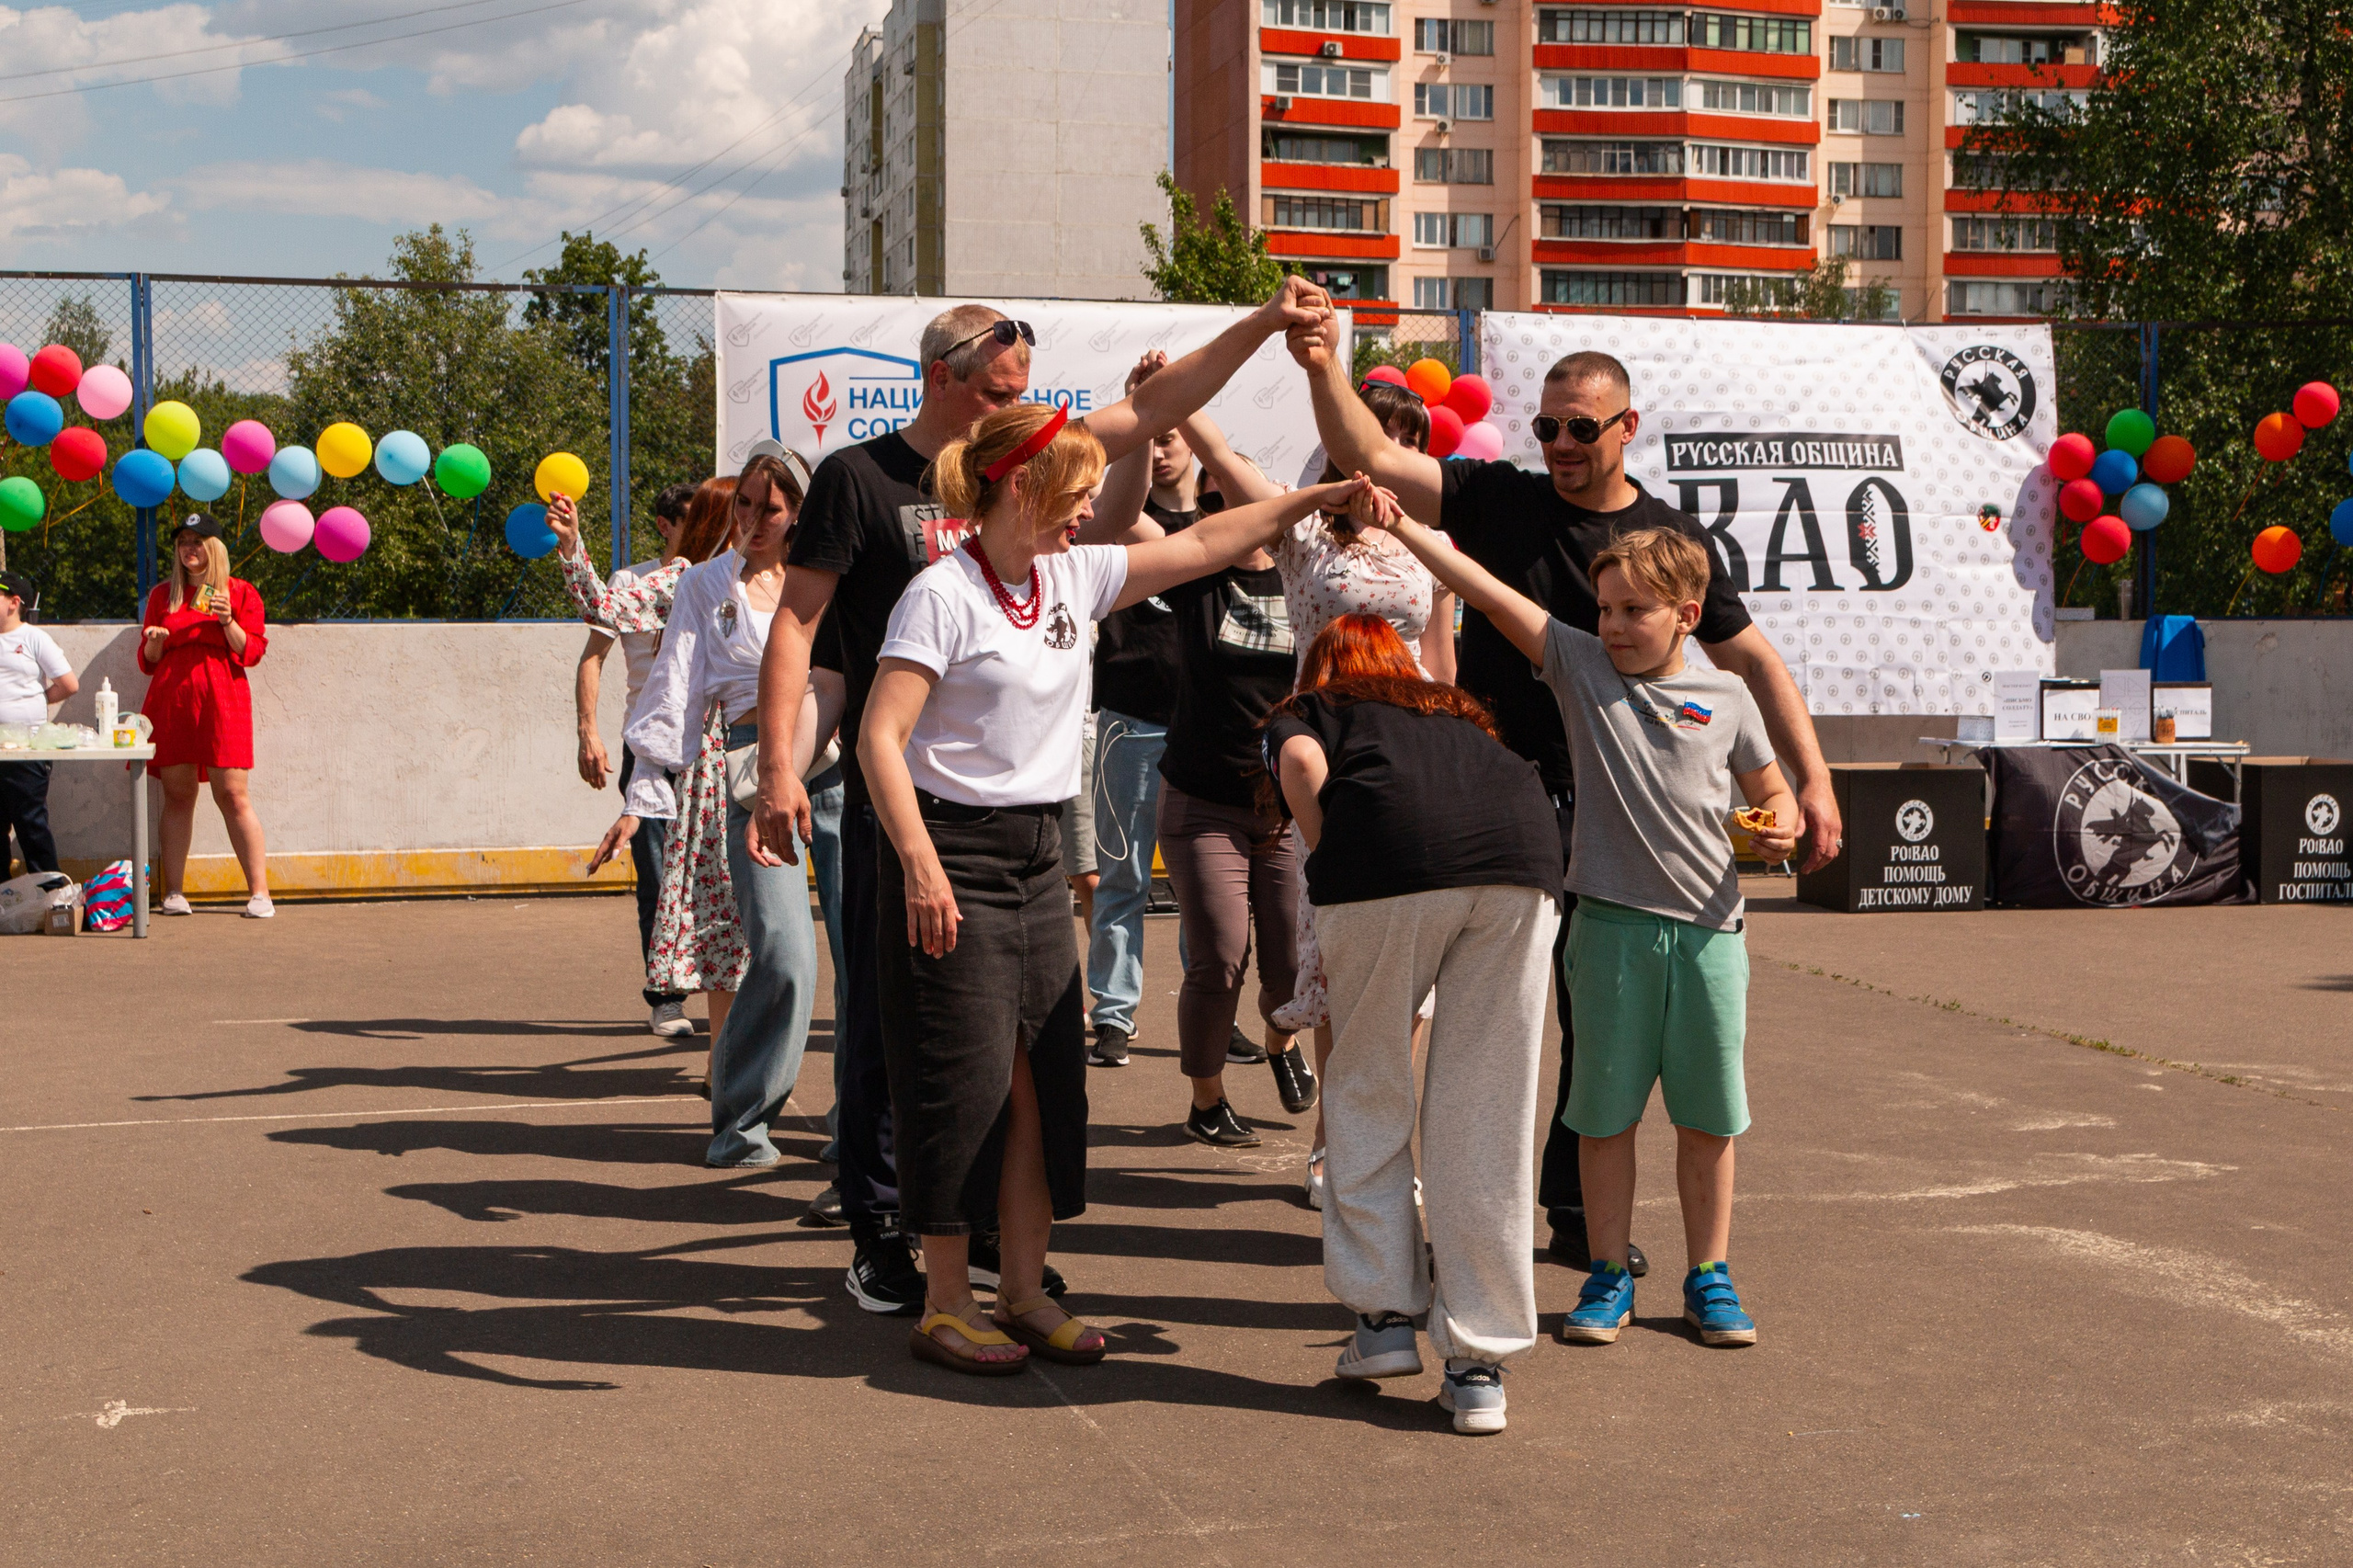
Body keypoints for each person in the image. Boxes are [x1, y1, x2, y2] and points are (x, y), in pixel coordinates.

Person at [751, 280, 1336, 1316]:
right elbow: (803, 629)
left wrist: (1261, 328)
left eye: (1026, 386)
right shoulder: (864, 482)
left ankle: (997, 1244)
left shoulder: (1051, 543)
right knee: (903, 1033)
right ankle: (887, 1227)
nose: (1019, 403)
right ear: (948, 382)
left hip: (1017, 806)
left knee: (1019, 1051)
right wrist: (781, 766)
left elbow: (1163, 438)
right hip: (920, 801)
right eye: (999, 388)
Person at [1290, 323, 1842, 1270]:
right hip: (1494, 794)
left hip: (1609, 809)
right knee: (1466, 1013)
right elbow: (1368, 454)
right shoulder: (1501, 498)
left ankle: (1579, 1218)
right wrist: (1317, 364)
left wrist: (1813, 781)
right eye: (1545, 426)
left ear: (1628, 426)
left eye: (1580, 427)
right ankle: (1408, 1210)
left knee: (1597, 1021)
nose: (1559, 444)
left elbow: (1749, 659)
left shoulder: (1662, 546)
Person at [859, 400, 1370, 1374]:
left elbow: (1215, 535)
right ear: (1021, 486)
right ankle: (944, 1299)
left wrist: (1324, 492)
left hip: (1036, 852)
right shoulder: (942, 592)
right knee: (964, 1083)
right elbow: (882, 737)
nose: (1093, 506)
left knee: (1043, 1083)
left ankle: (1022, 1289)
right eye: (1080, 488)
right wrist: (920, 862)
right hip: (952, 851)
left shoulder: (1069, 574)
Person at [1382, 520, 1798, 1351]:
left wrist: (1779, 820)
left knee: (1709, 1122)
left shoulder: (1730, 698)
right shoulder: (1578, 667)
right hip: (1606, 932)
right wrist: (1406, 534)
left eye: (1632, 610)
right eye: (1604, 607)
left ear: (1687, 614)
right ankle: (1607, 1275)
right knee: (1603, 1121)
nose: (1611, 625)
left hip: (1714, 937)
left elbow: (1769, 789)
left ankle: (1709, 1277)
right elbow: (1490, 594)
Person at [1264, 610, 1563, 1436]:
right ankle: (1479, 1367)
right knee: (1485, 1107)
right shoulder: (1453, 710)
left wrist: (1332, 859)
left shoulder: (1311, 710)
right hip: (1522, 866)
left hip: (1385, 864)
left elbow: (1297, 762)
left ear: (1319, 672)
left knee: (1366, 1084)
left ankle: (1383, 1323)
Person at [1185, 389, 1452, 1209]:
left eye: (1404, 442)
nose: (1384, 460)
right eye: (1372, 440)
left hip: (1417, 762)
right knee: (1340, 963)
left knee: (1413, 984)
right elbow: (1229, 469)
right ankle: (1336, 1143)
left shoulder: (1431, 544)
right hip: (1326, 760)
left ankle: (1389, 1150)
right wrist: (1175, 402)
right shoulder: (1302, 533)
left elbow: (1441, 661)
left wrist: (1462, 753)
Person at [1093, 434, 1316, 1143]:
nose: (1236, 509)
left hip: (1282, 810)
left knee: (1288, 969)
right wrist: (1153, 422)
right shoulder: (1198, 568)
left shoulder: (1304, 575)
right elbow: (1126, 519)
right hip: (1200, 803)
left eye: (1247, 497)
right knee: (1219, 958)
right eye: (1221, 498)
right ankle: (1206, 1101)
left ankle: (1281, 1046)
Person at [1082, 398, 1196, 1070]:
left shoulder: (1221, 523)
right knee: (1122, 877)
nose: (1158, 450)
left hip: (1201, 730)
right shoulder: (1111, 525)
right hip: (1128, 723)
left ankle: (1205, 1014)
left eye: (1170, 437)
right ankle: (1114, 1015)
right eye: (1147, 441)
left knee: (1201, 887)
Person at [573, 480, 699, 1038]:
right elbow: (593, 657)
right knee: (657, 872)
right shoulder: (636, 582)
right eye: (690, 522)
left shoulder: (719, 575)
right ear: (664, 526)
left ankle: (731, 992)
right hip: (648, 747)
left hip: (709, 745)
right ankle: (665, 996)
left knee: (716, 875)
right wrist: (588, 731)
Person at [138, 513, 270, 918]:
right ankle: (174, 893)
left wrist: (227, 619)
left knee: (232, 793)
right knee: (179, 795)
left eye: (198, 541)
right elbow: (146, 662)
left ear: (214, 548)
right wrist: (156, 642)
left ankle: (260, 894)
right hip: (174, 698)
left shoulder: (240, 592)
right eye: (183, 542)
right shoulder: (164, 596)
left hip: (222, 697)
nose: (189, 549)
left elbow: (252, 652)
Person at [0, 570, 76, 875]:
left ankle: (51, 898)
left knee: (31, 824)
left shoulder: (33, 637)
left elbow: (68, 684)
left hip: (26, 751)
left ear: (13, 602)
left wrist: (35, 703)